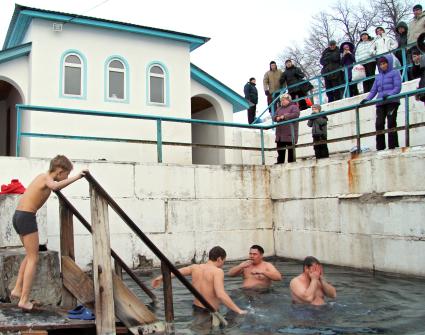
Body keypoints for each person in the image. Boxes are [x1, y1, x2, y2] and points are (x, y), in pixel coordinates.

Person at [11, 155, 86, 311]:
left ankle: (18, 289)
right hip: (26, 217)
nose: (65, 178)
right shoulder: (46, 178)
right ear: (59, 171)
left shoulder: (42, 177)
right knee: (33, 258)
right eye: (66, 174)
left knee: (30, 254)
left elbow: (55, 186)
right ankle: (24, 300)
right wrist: (77, 177)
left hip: (19, 216)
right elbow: (55, 187)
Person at [151, 246, 246, 315]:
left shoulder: (195, 267)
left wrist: (160, 277)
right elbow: (220, 294)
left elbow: (176, 272)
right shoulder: (217, 271)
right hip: (210, 312)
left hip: (196, 308)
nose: (223, 263)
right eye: (224, 260)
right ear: (219, 259)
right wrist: (238, 310)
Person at [360, 55, 402, 151]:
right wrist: (367, 99)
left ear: (388, 63)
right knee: (379, 124)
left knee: (391, 122)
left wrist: (389, 94)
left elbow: (398, 87)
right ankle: (380, 147)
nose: (382, 66)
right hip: (380, 102)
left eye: (384, 63)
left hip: (392, 101)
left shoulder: (395, 73)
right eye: (381, 64)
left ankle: (393, 146)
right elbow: (373, 90)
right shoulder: (378, 77)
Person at [273, 94, 300, 164]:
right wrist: (276, 118)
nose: (282, 102)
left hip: (290, 132)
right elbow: (274, 117)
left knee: (290, 149)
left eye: (284, 100)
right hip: (280, 133)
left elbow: (296, 114)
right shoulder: (279, 108)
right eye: (281, 100)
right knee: (280, 149)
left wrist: (284, 116)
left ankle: (291, 162)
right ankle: (280, 162)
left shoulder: (294, 107)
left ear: (288, 100)